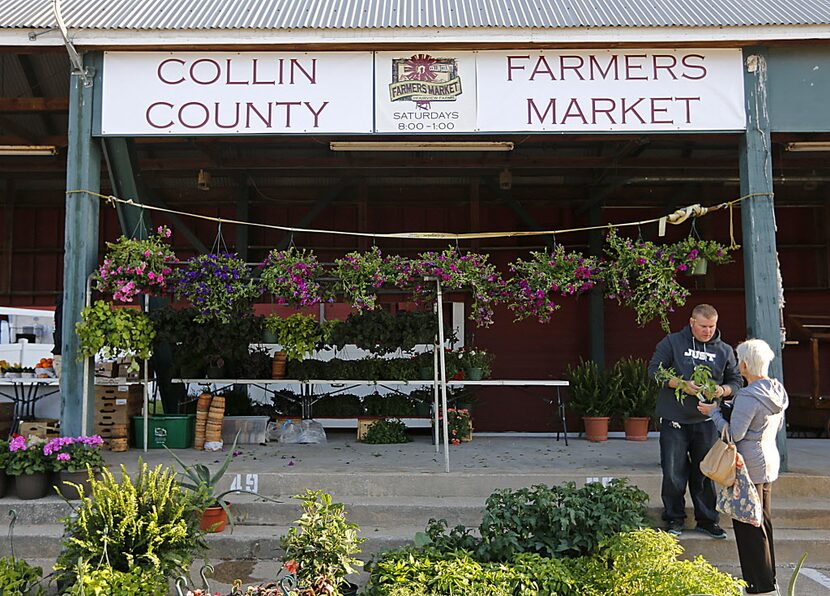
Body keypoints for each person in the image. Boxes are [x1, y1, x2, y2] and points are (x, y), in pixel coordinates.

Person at [698, 339, 788, 596]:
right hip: (768, 461)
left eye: (739, 360)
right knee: (763, 522)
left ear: (746, 364)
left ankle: (758, 586)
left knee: (748, 525)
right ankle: (769, 580)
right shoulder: (777, 390)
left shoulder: (748, 396)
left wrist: (713, 412)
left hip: (748, 466)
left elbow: (734, 434)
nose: (738, 365)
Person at [648, 304, 742, 539]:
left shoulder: (725, 350)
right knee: (672, 472)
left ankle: (708, 520)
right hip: (675, 419)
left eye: (712, 326)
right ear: (692, 322)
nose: (708, 331)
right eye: (703, 326)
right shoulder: (672, 342)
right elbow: (654, 371)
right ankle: (674, 519)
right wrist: (681, 385)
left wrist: (721, 390)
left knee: (706, 472)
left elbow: (737, 381)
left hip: (708, 420)